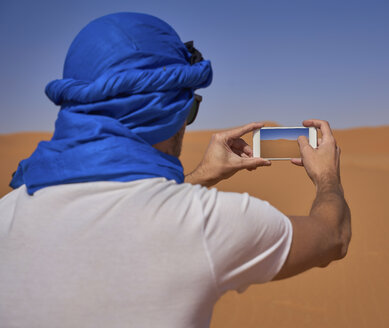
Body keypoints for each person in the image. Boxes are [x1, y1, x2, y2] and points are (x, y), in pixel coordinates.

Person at [0, 12, 351, 328]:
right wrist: (326, 176)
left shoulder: (8, 213)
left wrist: (203, 176)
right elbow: (332, 237)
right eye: (189, 108)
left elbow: (126, 213)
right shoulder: (203, 224)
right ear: (167, 113)